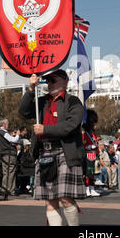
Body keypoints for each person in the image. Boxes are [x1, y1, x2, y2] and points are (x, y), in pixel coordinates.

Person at [19, 70, 86, 226]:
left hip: (65, 152)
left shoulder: (73, 101)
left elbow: (71, 126)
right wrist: (30, 90)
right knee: (50, 199)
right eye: (47, 80)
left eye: (52, 80)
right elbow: (23, 111)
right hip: (44, 152)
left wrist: (45, 130)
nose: (49, 83)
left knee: (64, 197)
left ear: (65, 82)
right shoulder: (41, 102)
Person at [0, 118, 20, 196]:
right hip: (10, 154)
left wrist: (11, 135)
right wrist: (17, 135)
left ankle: (4, 188)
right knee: (11, 172)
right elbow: (14, 141)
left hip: (3, 154)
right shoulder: (4, 132)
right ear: (4, 124)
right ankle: (10, 190)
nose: (8, 125)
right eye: (8, 124)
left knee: (5, 172)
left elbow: (7, 139)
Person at [82, 109, 101, 197]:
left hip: (94, 155)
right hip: (88, 155)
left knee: (93, 174)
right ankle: (87, 189)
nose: (95, 125)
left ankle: (92, 188)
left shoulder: (94, 134)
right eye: (94, 123)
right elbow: (84, 145)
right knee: (87, 173)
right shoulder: (85, 134)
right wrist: (90, 147)